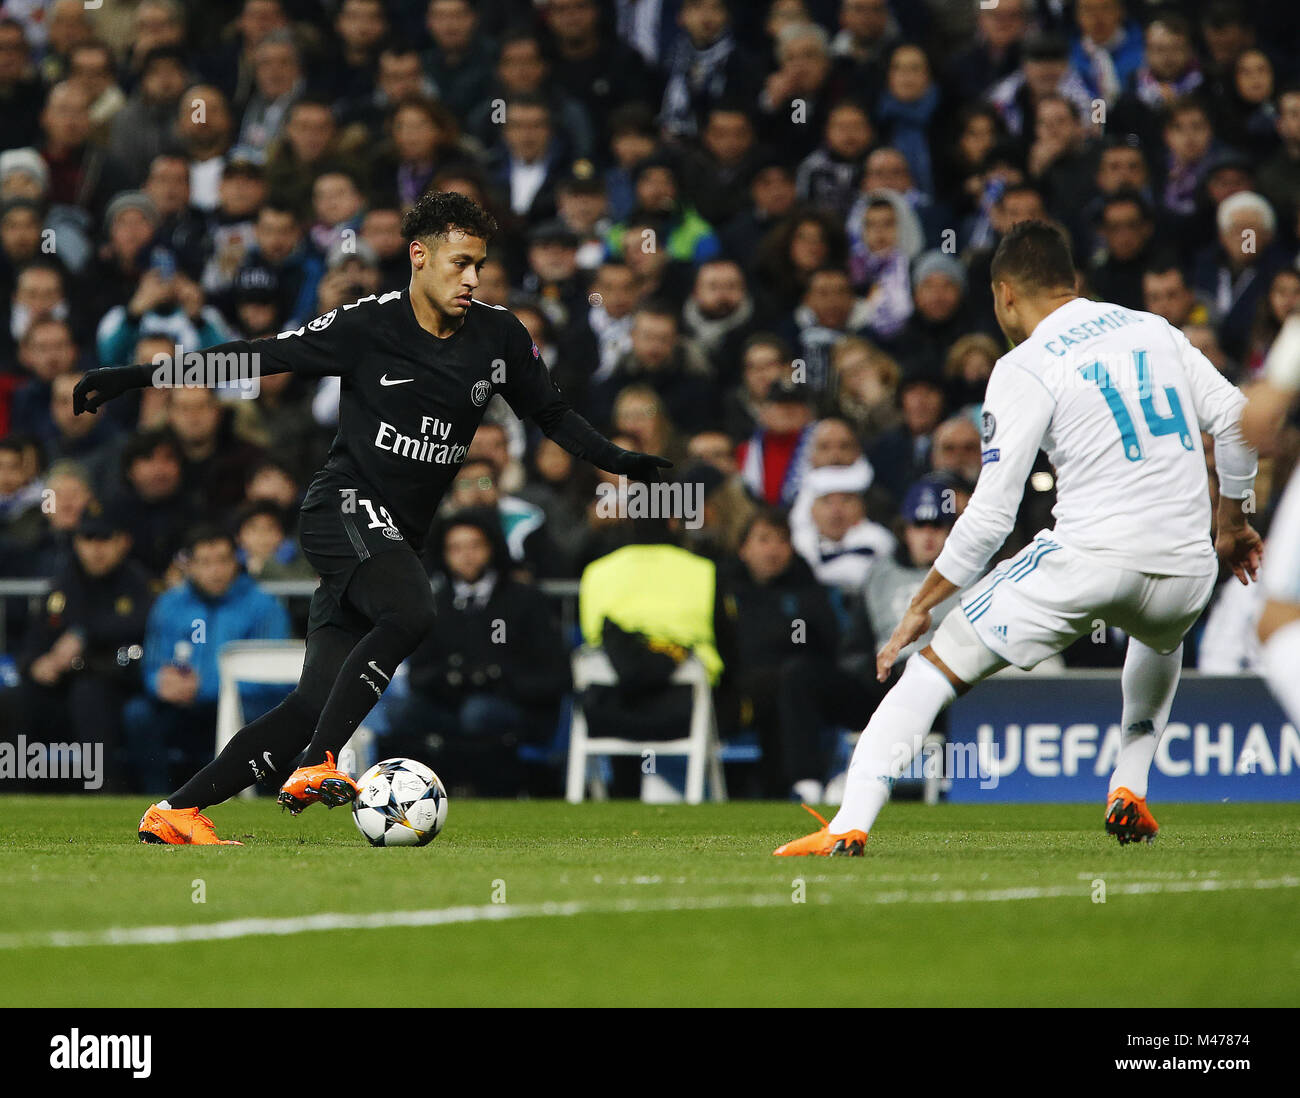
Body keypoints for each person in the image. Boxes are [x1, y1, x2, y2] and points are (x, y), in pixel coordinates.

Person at [72, 191, 670, 844]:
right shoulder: (367, 326)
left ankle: (177, 811)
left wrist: (620, 461)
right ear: (419, 256)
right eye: (460, 263)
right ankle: (319, 763)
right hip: (341, 509)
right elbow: (261, 356)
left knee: (311, 703)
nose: (473, 278)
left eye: (480, 265)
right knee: (413, 611)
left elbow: (551, 413)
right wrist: (135, 376)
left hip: (388, 538)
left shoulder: (499, 337)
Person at [776, 220, 1260, 856]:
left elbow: (991, 515)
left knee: (929, 673)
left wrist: (922, 603)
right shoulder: (1155, 330)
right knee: (1158, 637)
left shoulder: (1024, 364)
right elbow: (1238, 420)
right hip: (1186, 570)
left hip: (1087, 559)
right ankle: (1131, 786)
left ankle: (849, 823)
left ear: (1004, 294)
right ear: (1071, 282)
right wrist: (1232, 521)